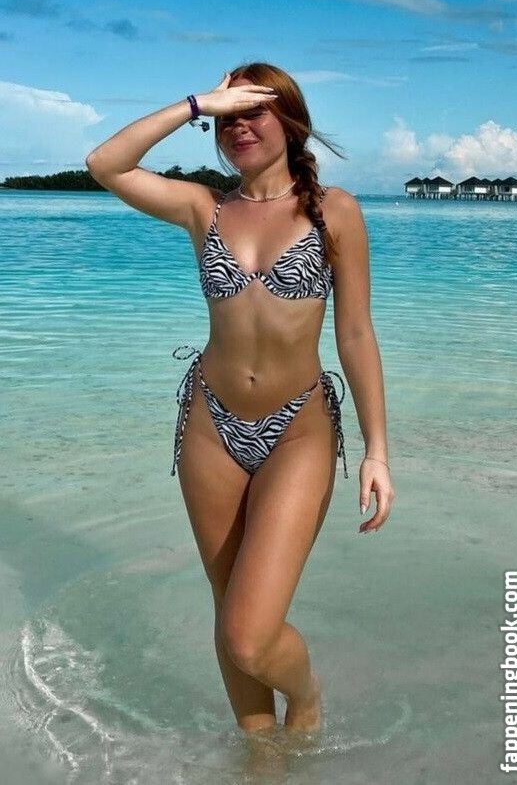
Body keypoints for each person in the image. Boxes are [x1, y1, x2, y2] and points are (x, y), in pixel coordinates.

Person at [85, 62, 394, 737]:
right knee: (228, 610)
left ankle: (305, 697)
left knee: (249, 634)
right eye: (228, 118)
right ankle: (260, 759)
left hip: (298, 429)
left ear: (291, 121)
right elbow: (105, 164)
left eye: (254, 110)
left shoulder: (334, 211)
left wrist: (377, 449)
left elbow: (356, 333)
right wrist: (198, 103)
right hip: (210, 424)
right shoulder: (206, 208)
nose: (238, 126)